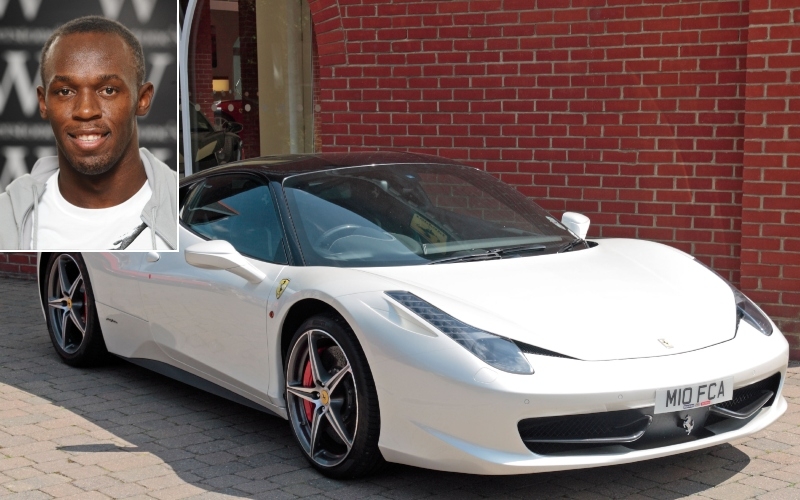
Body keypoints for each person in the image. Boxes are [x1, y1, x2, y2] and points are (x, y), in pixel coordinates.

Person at [0, 16, 176, 250]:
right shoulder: (5, 218)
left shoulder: (188, 207)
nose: (85, 110)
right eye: (65, 91)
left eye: (108, 90)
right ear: (43, 103)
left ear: (142, 99)